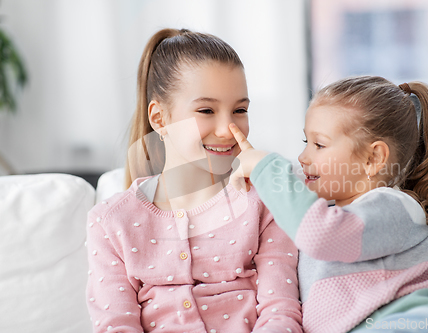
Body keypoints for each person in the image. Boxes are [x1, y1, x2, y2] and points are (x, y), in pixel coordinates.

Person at [86, 28, 302, 333]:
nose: (228, 129)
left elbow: (281, 313)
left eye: (239, 109)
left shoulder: (265, 201)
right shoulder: (110, 222)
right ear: (160, 118)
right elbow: (116, 326)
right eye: (206, 110)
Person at [229, 76, 428, 333]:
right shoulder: (327, 208)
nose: (303, 156)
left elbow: (320, 233)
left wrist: (264, 167)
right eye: (307, 143)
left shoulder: (395, 208)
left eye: (319, 144)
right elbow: (299, 184)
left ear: (373, 158)